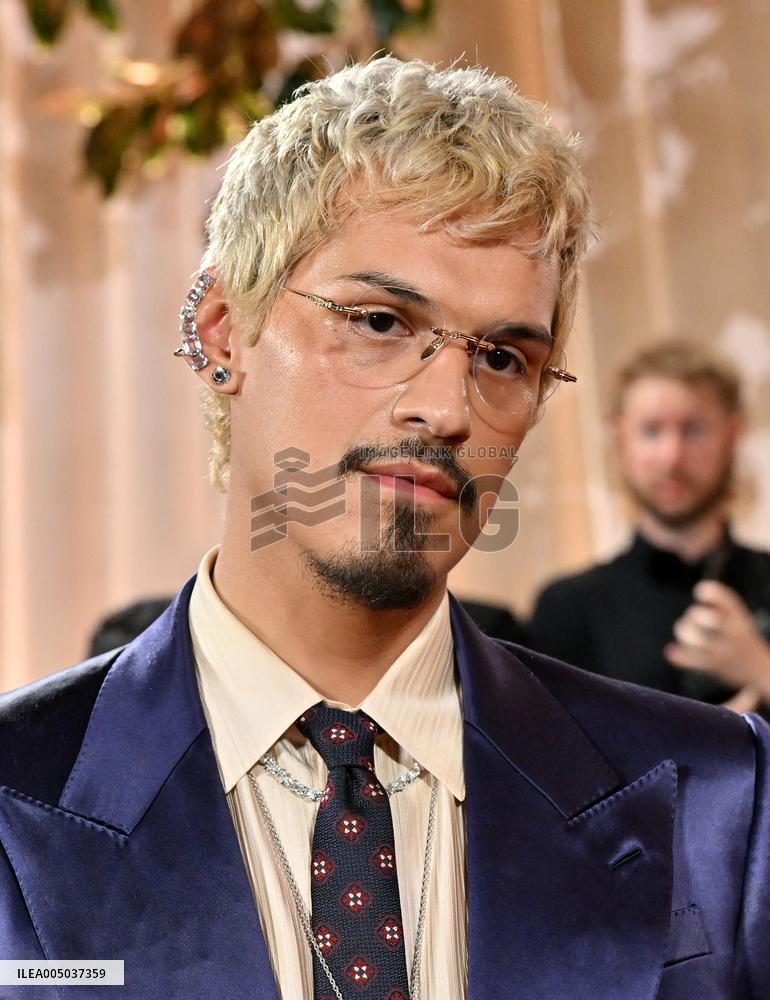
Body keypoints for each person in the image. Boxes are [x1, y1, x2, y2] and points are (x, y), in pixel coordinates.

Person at [0, 60, 768, 1000]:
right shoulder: (14, 795)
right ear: (225, 332)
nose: (446, 407)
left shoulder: (715, 799)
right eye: (378, 319)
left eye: (501, 355)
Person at [530, 340, 770, 714]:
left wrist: (761, 669)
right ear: (619, 438)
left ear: (733, 436)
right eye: (651, 431)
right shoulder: (568, 608)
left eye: (694, 430)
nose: (671, 457)